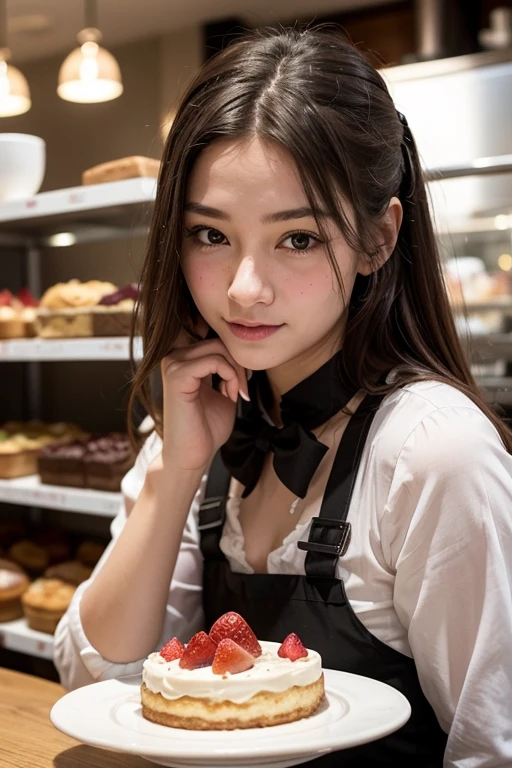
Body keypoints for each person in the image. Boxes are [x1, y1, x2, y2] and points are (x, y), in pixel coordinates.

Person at [53, 26, 512, 766]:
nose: (242, 289)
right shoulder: (194, 425)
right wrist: (176, 471)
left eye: (296, 238)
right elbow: (94, 679)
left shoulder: (433, 452)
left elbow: (493, 747)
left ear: (378, 238)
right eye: (210, 235)